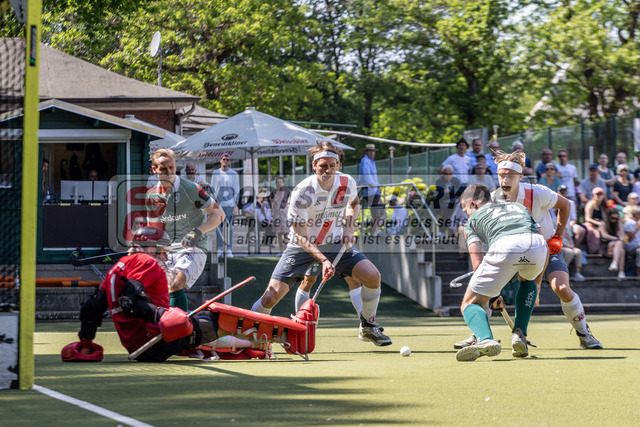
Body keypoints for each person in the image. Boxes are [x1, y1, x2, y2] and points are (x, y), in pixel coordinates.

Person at [61, 227, 293, 362]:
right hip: (156, 340)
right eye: (162, 251)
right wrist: (162, 316)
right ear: (146, 248)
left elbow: (91, 309)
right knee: (215, 317)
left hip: (139, 348)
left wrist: (86, 341)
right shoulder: (145, 261)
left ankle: (250, 344)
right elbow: (132, 299)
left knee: (195, 329)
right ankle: (280, 336)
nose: (165, 257)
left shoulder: (115, 270)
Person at [456, 151, 602, 350]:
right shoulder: (493, 199)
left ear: (520, 176)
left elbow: (565, 205)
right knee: (488, 289)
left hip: (547, 245)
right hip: (515, 247)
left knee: (561, 287)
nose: (504, 180)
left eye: (510, 176)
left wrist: (558, 237)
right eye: (501, 175)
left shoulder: (538, 192)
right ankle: (480, 334)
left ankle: (584, 333)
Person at [251, 141, 392, 346]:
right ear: (314, 165)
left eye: (332, 165)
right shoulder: (301, 192)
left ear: (338, 165)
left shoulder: (347, 182)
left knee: (373, 276)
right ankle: (250, 334)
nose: (328, 170)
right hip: (301, 247)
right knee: (270, 297)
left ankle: (368, 327)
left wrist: (348, 228)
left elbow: (354, 203)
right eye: (323, 165)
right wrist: (324, 260)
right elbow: (301, 236)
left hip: (335, 242)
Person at [454, 184, 547, 362]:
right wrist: (537, 281)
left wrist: (492, 295)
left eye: (465, 209)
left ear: (473, 203)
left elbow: (477, 263)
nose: (467, 214)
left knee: (469, 303)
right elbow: (541, 236)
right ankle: (520, 333)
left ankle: (485, 339)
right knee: (527, 280)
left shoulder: (472, 222)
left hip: (506, 245)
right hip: (537, 245)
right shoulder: (518, 207)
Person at [146, 148, 225, 311]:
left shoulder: (190, 189)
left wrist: (197, 232)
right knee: (158, 289)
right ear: (154, 169)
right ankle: (165, 323)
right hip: (168, 251)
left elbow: (219, 215)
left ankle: (178, 325)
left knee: (175, 284)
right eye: (163, 169)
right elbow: (153, 228)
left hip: (193, 249)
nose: (169, 172)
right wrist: (155, 247)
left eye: (172, 168)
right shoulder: (151, 195)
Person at [210, 153, 240, 258]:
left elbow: (237, 189)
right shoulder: (215, 173)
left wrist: (236, 205)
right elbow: (212, 188)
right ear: (220, 160)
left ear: (229, 161)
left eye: (227, 159)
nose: (225, 161)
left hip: (230, 204)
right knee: (219, 227)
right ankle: (219, 249)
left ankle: (229, 249)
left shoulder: (234, 174)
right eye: (224, 159)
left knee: (229, 227)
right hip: (218, 205)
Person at [358, 143, 385, 236]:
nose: (372, 153)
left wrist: (358, 182)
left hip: (374, 191)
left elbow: (362, 176)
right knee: (379, 215)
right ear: (366, 152)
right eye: (370, 151)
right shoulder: (365, 160)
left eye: (373, 151)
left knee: (380, 214)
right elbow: (366, 174)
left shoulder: (370, 161)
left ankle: (375, 233)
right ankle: (375, 234)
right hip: (371, 192)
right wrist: (370, 183)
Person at [599, 208, 626, 279]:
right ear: (608, 216)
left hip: (616, 247)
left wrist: (618, 239)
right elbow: (604, 235)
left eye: (616, 218)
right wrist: (616, 239)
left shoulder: (618, 223)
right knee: (619, 246)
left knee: (621, 250)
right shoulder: (603, 223)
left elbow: (623, 236)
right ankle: (621, 272)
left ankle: (615, 264)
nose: (614, 220)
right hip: (606, 247)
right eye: (613, 218)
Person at [583, 187, 607, 254]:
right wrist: (599, 223)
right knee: (596, 232)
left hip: (599, 225)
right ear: (593, 195)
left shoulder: (602, 205)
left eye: (600, 194)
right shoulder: (590, 204)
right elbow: (587, 218)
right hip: (591, 224)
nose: (598, 196)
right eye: (597, 194)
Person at [271, 176, 292, 253]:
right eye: (278, 182)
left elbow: (291, 202)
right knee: (279, 233)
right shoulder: (273, 192)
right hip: (277, 214)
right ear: (276, 183)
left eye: (280, 182)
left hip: (285, 214)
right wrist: (271, 214)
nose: (279, 183)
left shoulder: (288, 191)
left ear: (283, 183)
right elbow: (272, 203)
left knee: (286, 232)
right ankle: (281, 250)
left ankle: (286, 249)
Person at [623, 205, 640, 276]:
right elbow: (629, 239)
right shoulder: (628, 224)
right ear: (636, 214)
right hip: (630, 246)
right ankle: (638, 272)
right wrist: (636, 229)